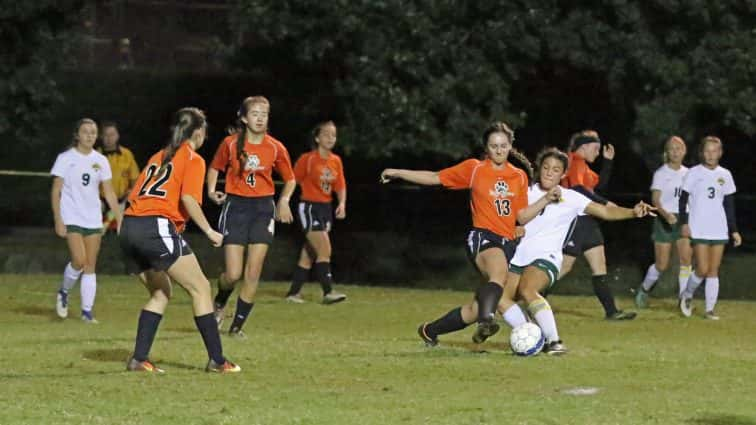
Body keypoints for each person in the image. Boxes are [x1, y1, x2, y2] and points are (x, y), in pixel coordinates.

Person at [381, 122, 553, 347]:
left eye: (503, 145)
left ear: (510, 146)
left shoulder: (519, 176)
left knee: (476, 306)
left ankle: (430, 330)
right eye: (493, 146)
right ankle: (487, 321)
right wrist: (398, 172)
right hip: (483, 237)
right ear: (486, 148)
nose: (499, 150)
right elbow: (435, 177)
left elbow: (521, 216)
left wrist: (545, 200)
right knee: (498, 276)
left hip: (508, 243)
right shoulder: (474, 169)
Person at [120, 107, 240, 373]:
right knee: (200, 288)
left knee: (161, 292)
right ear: (197, 132)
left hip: (129, 227)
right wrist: (209, 231)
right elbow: (187, 199)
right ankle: (217, 361)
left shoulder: (159, 155)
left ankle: (139, 359)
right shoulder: (193, 159)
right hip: (155, 226)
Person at [507, 148, 655, 355]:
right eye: (546, 167)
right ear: (539, 169)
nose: (550, 172)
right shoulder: (526, 191)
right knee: (498, 299)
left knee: (528, 289)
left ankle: (554, 341)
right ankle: (529, 333)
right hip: (517, 258)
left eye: (556, 169)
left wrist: (632, 211)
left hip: (546, 258)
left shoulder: (571, 197)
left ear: (563, 174)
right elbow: (510, 217)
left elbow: (605, 211)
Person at [206, 96, 296, 336]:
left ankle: (236, 327)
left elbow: (290, 179)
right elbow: (214, 167)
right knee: (233, 274)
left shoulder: (276, 147)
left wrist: (284, 201)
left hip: (263, 208)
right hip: (235, 206)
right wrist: (211, 190)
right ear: (244, 118)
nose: (260, 118)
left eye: (264, 114)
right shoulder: (230, 144)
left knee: (253, 271)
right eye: (255, 113)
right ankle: (220, 299)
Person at [559, 130, 637, 320]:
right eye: (595, 149)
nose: (596, 153)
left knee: (599, 266)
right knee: (564, 267)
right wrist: (603, 203)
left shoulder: (583, 165)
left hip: (588, 220)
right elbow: (577, 189)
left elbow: (599, 187)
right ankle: (532, 296)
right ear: (583, 147)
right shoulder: (574, 161)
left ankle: (612, 312)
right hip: (575, 220)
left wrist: (608, 162)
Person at [51, 118, 122, 323]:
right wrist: (58, 219)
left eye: (93, 132)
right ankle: (64, 291)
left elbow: (108, 192)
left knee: (90, 264)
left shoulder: (101, 160)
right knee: (79, 261)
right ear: (77, 135)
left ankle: (87, 312)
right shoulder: (66, 158)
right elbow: (56, 191)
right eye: (86, 132)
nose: (90, 135)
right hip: (71, 216)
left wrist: (120, 218)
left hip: (93, 218)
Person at [678, 136, 742, 320]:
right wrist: (684, 223)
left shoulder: (726, 175)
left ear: (720, 153)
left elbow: (729, 205)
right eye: (707, 151)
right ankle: (688, 294)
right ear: (701, 152)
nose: (711, 155)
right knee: (702, 268)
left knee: (714, 269)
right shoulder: (694, 173)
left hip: (718, 227)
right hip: (698, 226)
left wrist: (734, 229)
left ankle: (709, 310)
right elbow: (683, 200)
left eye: (715, 151)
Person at [285, 121, 348, 304]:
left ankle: (293, 293)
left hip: (326, 208)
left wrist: (342, 203)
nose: (331, 138)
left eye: (333, 135)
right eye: (326, 134)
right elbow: (292, 180)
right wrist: (285, 201)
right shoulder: (308, 159)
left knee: (309, 253)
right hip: (309, 207)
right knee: (324, 248)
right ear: (317, 138)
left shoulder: (336, 160)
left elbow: (340, 185)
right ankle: (328, 292)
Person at [635, 136, 692, 307]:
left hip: (683, 218)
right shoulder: (661, 174)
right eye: (672, 149)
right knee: (662, 264)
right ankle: (644, 289)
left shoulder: (689, 173)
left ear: (684, 151)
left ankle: (683, 299)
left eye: (678, 148)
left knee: (686, 260)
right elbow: (656, 201)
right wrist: (666, 215)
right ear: (667, 152)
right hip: (664, 219)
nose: (675, 152)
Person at [98, 121, 140, 231]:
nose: (109, 138)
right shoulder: (95, 156)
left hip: (122, 200)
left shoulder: (127, 155)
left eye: (112, 135)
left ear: (117, 136)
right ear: (101, 137)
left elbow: (135, 180)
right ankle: (106, 223)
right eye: (106, 135)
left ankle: (111, 224)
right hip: (100, 201)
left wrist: (130, 193)